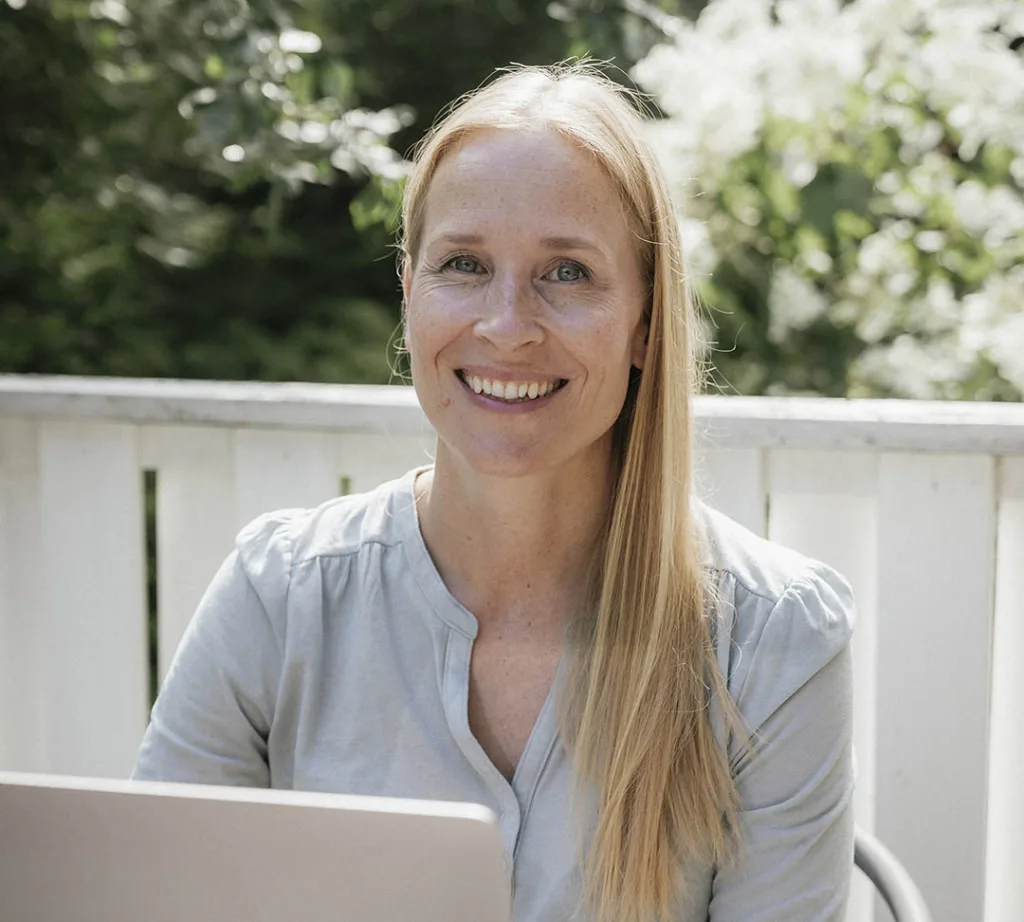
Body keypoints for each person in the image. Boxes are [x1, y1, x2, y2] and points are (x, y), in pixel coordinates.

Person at [132, 63, 856, 922]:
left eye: (568, 274)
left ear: (645, 322)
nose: (507, 326)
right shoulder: (278, 597)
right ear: (409, 292)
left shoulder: (775, 640)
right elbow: (148, 898)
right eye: (465, 263)